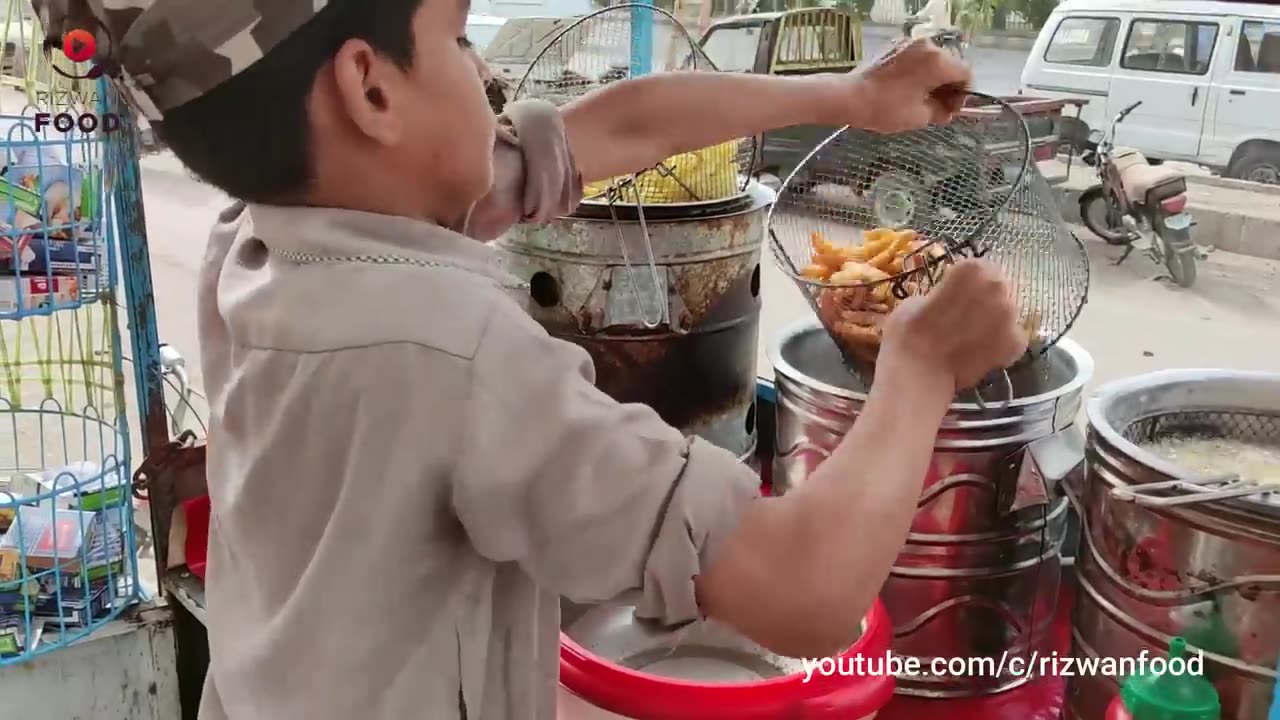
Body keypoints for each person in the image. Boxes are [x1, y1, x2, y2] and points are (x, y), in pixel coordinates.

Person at [34, 1, 1027, 718]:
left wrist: (849, 95)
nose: (487, 77)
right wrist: (918, 371)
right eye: (458, 40)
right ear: (371, 88)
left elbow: (618, 126)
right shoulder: (451, 353)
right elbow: (803, 592)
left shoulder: (262, 239)